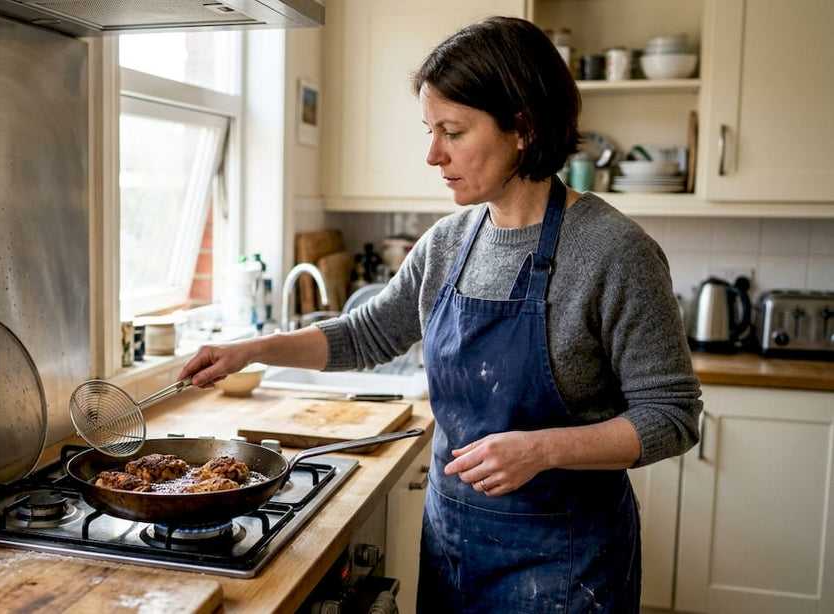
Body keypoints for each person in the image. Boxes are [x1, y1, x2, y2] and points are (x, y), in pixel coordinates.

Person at [178, 15, 701, 613]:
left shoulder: (614, 252)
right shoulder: (448, 242)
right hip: (454, 544)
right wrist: (252, 351)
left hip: (566, 561)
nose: (433, 155)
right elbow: (366, 334)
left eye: (452, 131)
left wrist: (542, 450)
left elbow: (672, 415)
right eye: (431, 131)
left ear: (524, 127)